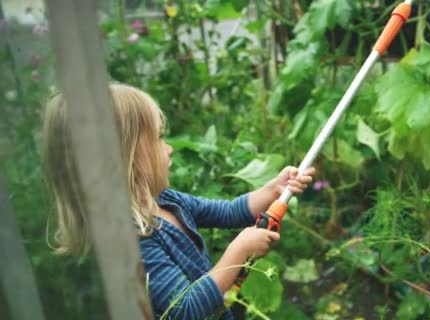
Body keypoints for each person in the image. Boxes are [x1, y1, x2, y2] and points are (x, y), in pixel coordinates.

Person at [42, 83, 315, 319]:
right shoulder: (132, 240)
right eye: (159, 138)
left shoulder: (165, 200)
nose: (169, 147)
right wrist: (238, 252)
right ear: (125, 159)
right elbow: (183, 310)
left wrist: (271, 190)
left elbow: (228, 212)